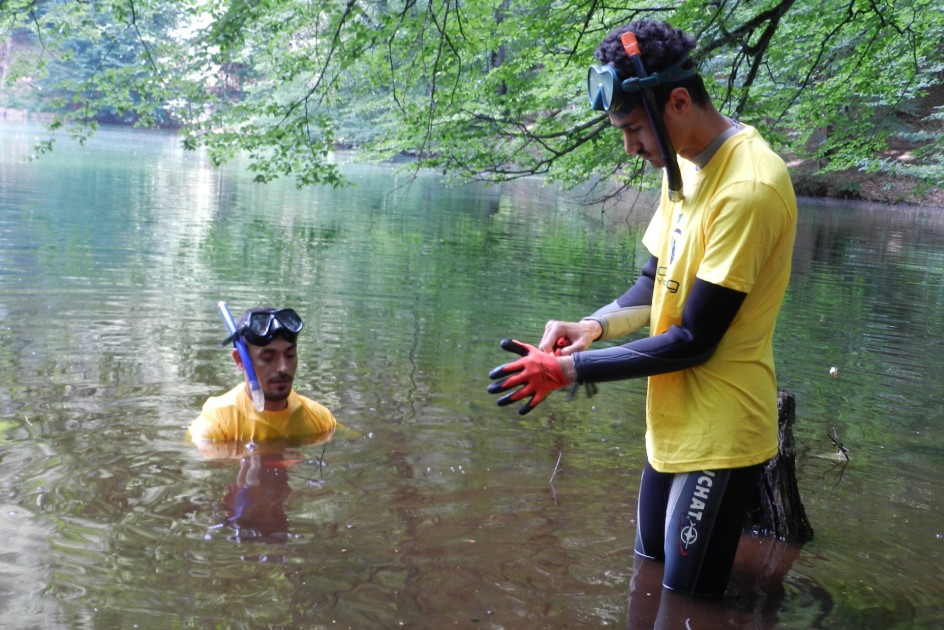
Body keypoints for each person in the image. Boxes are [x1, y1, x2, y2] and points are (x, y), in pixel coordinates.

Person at [487, 19, 797, 599]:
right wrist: (592, 327)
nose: (629, 147)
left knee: (684, 603)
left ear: (677, 102)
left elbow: (693, 340)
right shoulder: (681, 168)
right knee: (645, 581)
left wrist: (570, 371)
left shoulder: (749, 187)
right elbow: (654, 283)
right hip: (670, 427)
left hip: (722, 436)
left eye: (632, 129)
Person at [189, 306, 337, 445]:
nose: (283, 368)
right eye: (268, 358)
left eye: (290, 355)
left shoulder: (321, 420)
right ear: (240, 360)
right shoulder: (217, 421)